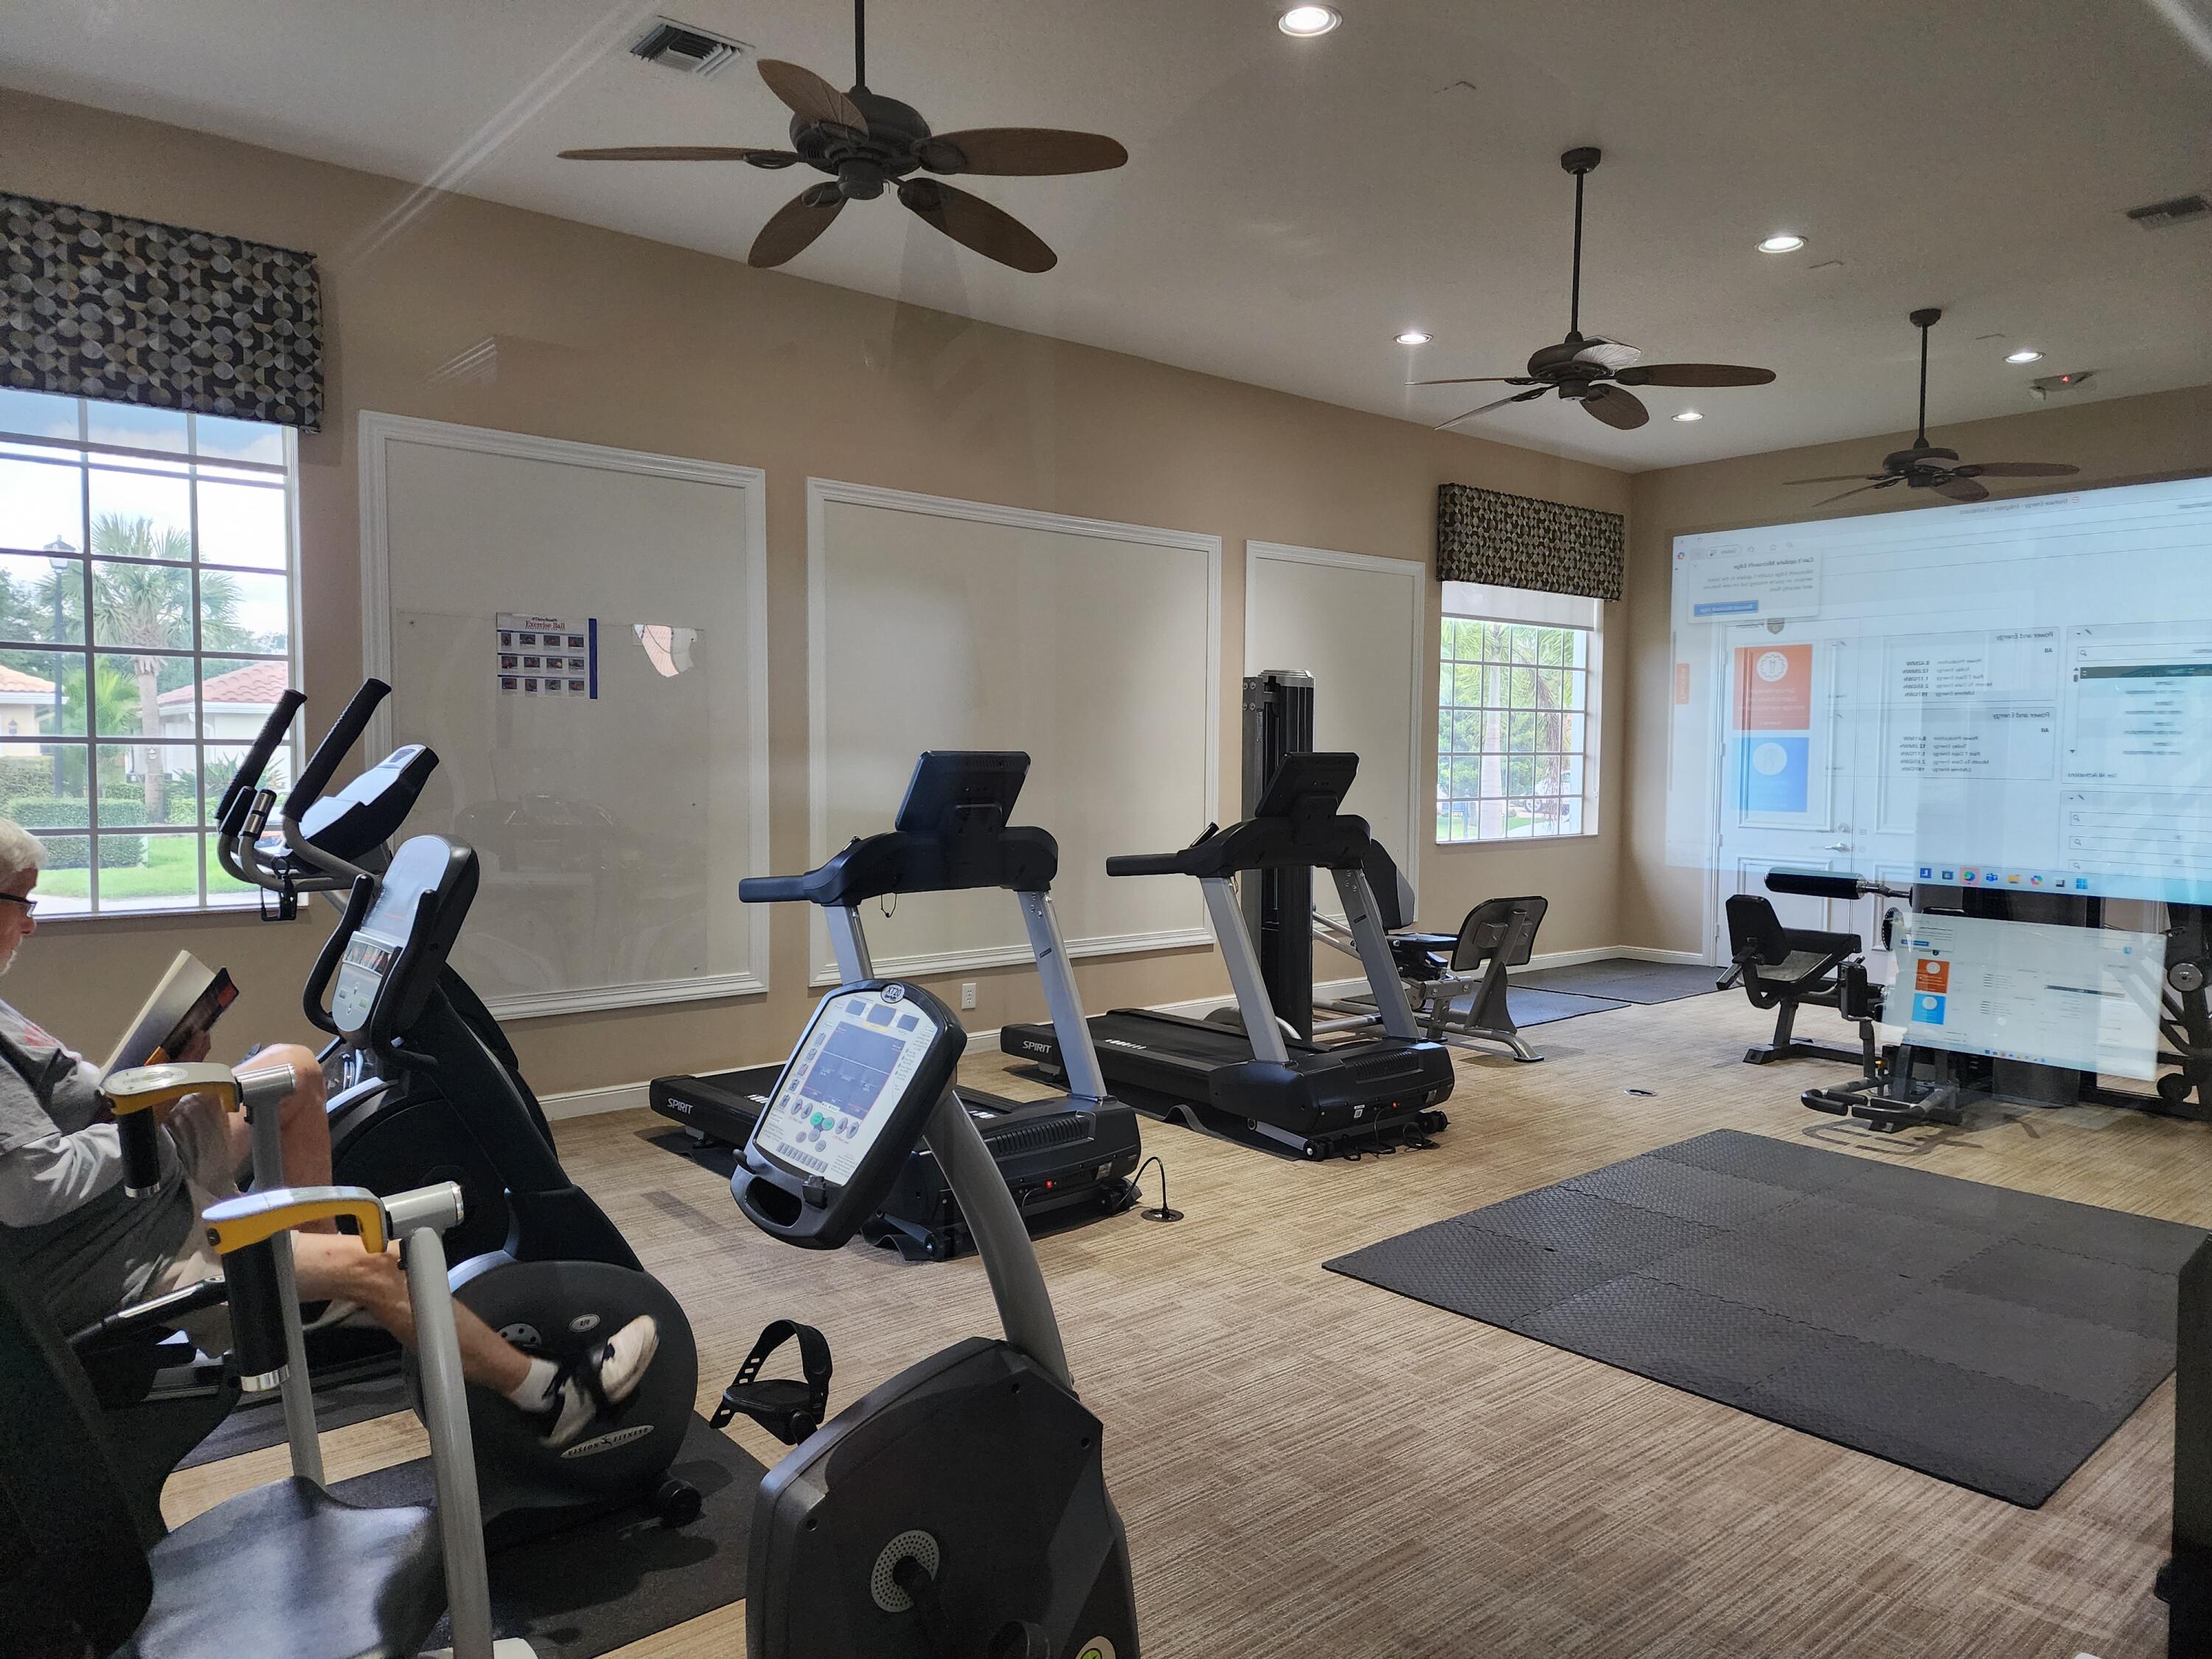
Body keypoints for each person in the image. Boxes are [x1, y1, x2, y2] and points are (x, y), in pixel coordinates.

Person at [0, 818, 654, 1448]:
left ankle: (313, 1280)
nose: (31, 922)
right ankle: (552, 1396)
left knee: (293, 1068)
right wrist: (142, 1113)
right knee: (375, 1262)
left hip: (136, 1177)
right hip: (121, 1245)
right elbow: (33, 1186)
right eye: (21, 903)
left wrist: (153, 1077)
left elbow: (62, 1114)